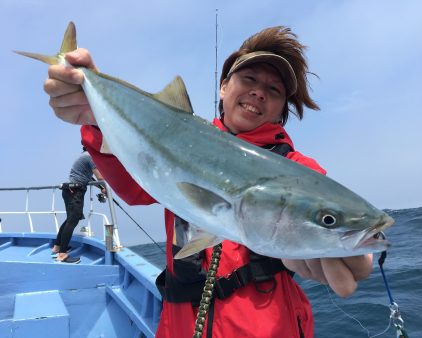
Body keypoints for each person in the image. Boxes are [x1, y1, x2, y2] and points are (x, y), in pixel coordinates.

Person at [43, 26, 373, 337]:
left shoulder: (297, 171)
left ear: (280, 107)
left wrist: (354, 248)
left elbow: (336, 214)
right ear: (224, 86)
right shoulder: (177, 137)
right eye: (249, 79)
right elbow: (133, 188)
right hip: (182, 326)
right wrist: (94, 119)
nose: (258, 92)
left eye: (273, 90)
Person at [51, 148, 105, 263]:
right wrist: (107, 186)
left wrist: (101, 188)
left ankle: (57, 247)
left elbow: (89, 177)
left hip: (70, 190)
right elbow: (100, 177)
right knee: (72, 221)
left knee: (70, 220)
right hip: (74, 191)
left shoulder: (84, 156)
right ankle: (62, 255)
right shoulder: (90, 157)